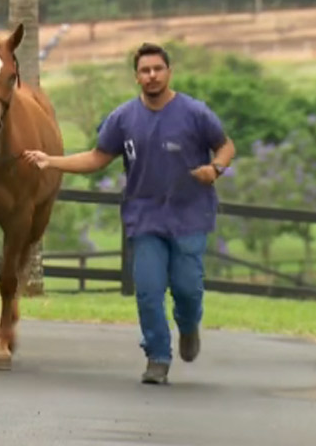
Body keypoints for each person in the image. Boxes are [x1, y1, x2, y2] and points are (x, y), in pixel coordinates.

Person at [22, 42, 236, 385]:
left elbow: (226, 145)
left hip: (189, 216)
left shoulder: (195, 113)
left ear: (168, 72)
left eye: (157, 69)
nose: (151, 76)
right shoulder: (123, 118)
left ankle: (189, 326)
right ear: (136, 77)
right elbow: (96, 157)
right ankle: (158, 356)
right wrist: (51, 161)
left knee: (187, 289)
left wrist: (216, 168)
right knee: (148, 290)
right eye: (144, 71)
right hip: (145, 217)